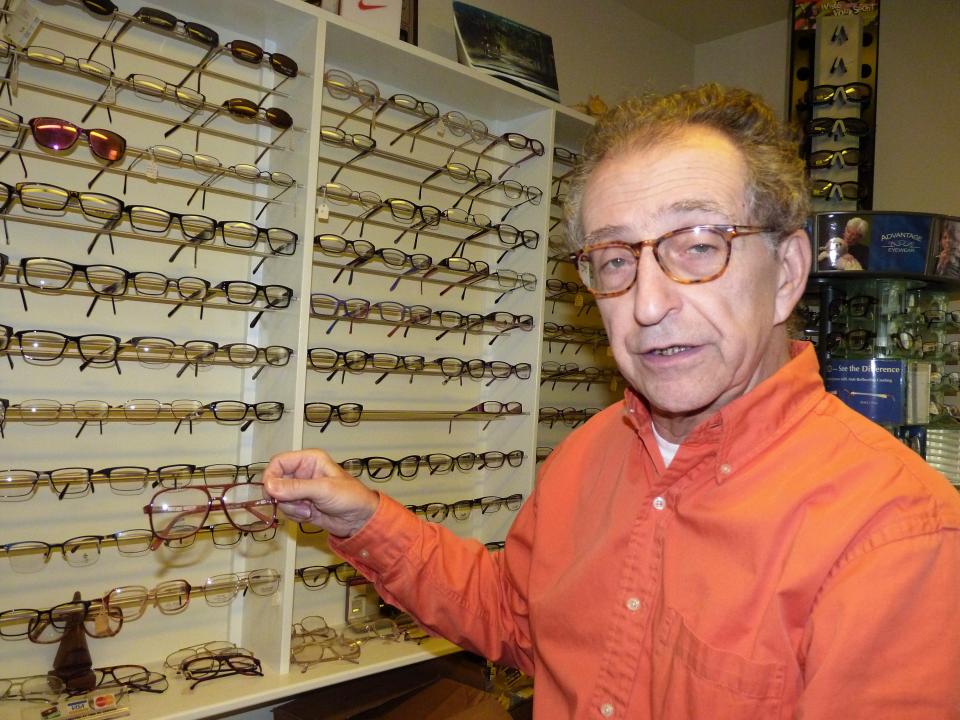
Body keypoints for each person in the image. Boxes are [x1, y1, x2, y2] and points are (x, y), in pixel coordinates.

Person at [265, 85, 960, 718]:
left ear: (786, 274)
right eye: (616, 261)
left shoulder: (900, 533)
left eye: (697, 246)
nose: (648, 304)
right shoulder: (587, 453)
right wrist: (365, 520)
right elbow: (516, 620)